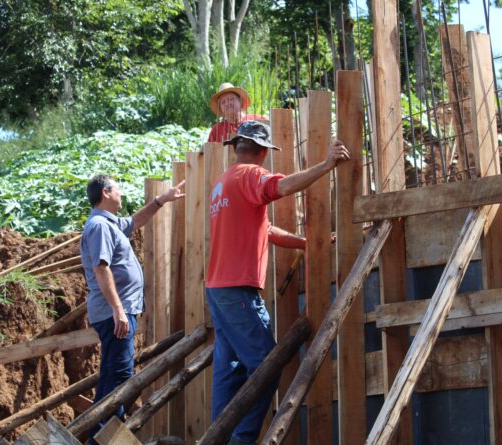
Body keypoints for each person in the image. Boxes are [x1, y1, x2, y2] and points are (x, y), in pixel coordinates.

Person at [206, 120, 350, 444]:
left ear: (237, 146)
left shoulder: (223, 183)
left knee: (229, 371)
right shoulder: (250, 175)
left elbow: (266, 231)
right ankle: (241, 440)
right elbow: (282, 187)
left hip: (219, 288)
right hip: (236, 289)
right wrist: (327, 164)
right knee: (266, 364)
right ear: (261, 151)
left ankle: (218, 438)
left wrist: (308, 243)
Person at [79, 174, 184, 443]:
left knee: (112, 375)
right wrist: (118, 309)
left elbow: (135, 221)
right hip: (115, 313)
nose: (122, 194)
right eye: (118, 189)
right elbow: (101, 268)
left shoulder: (109, 224)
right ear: (105, 192)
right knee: (121, 375)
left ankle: (98, 435)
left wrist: (161, 199)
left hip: (117, 311)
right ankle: (106, 436)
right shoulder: (100, 226)